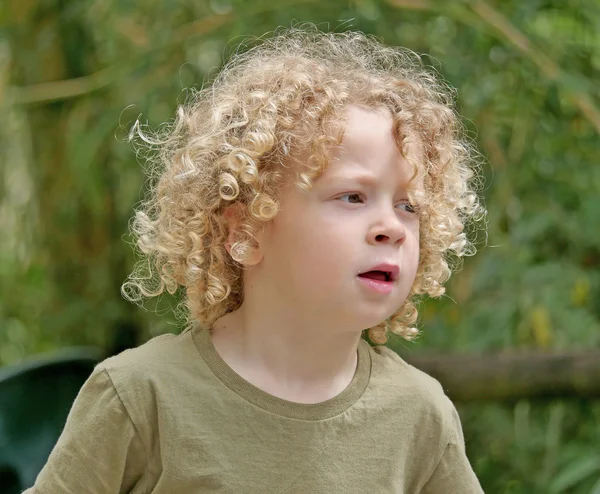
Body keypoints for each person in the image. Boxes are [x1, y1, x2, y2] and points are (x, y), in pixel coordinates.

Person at [25, 25, 485, 493]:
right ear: (244, 230)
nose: (391, 226)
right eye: (352, 196)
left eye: (409, 206)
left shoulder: (419, 413)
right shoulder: (142, 395)